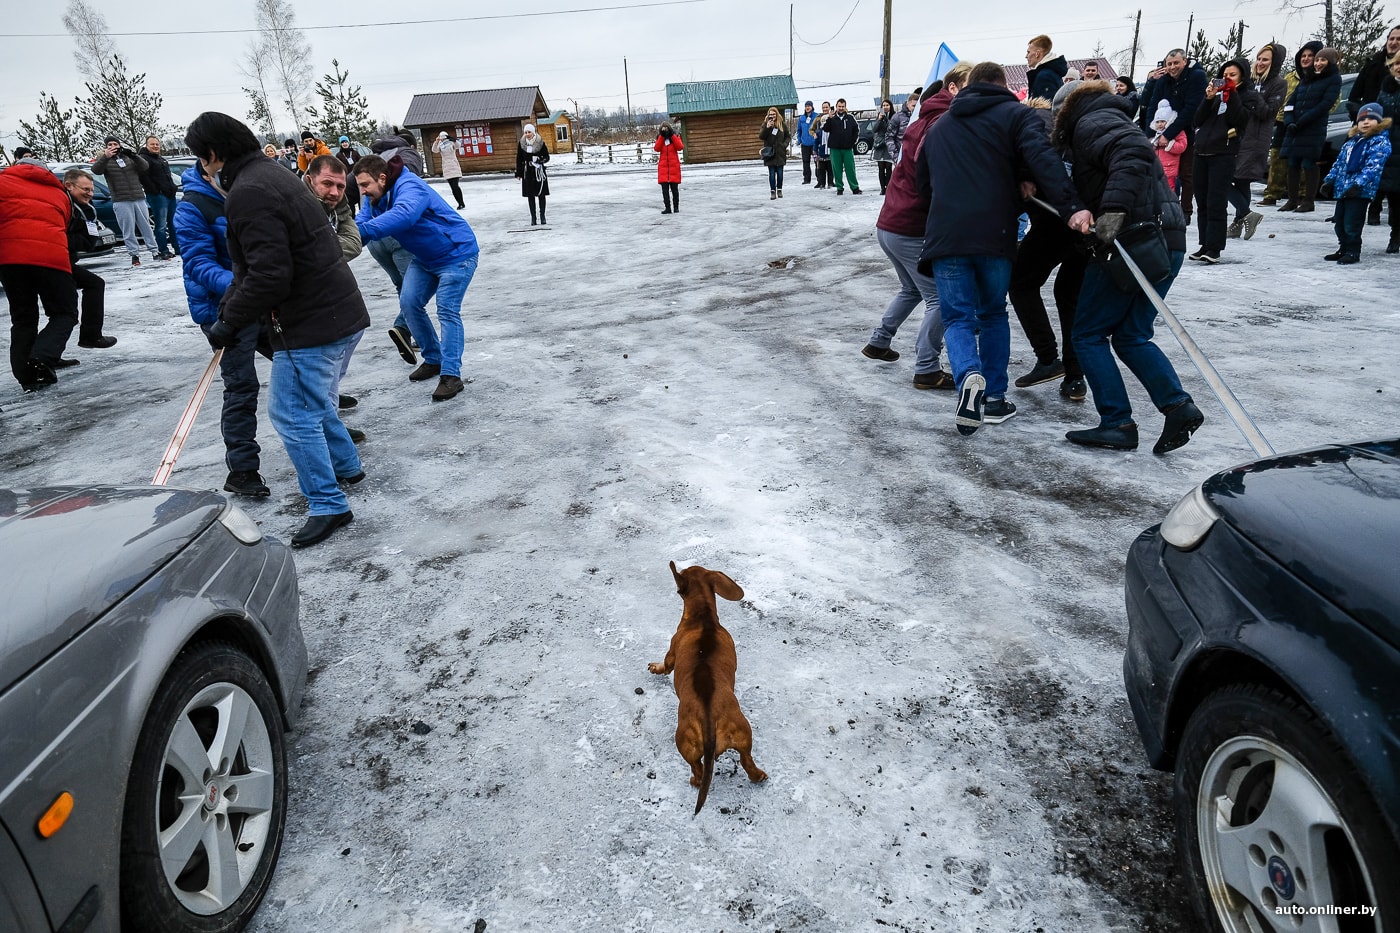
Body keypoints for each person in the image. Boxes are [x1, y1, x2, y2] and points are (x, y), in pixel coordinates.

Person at [186, 111, 370, 548]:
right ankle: (347, 466)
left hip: (312, 321)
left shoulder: (249, 191)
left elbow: (270, 275)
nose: (202, 166)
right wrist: (227, 313)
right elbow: (248, 267)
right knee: (312, 400)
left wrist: (231, 321)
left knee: (292, 413)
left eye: (200, 157)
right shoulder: (272, 175)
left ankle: (328, 504)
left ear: (212, 153)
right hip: (333, 312)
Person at [917, 60, 1092, 435]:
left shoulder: (940, 126)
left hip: (947, 238)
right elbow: (1043, 158)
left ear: (969, 85)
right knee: (993, 314)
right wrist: (1070, 206)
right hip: (995, 235)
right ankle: (994, 398)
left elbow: (922, 184)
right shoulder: (1016, 115)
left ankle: (968, 376)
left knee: (957, 318)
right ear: (1003, 85)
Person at [1050, 80, 1203, 454]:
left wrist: (1113, 211)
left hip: (1133, 241)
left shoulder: (1092, 121)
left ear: (1064, 111)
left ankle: (1117, 421)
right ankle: (1178, 407)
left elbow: (1133, 152)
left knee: (1087, 333)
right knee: (1132, 334)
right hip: (1167, 240)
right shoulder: (1109, 117)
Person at [861, 66, 972, 391]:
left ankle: (879, 342)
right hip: (908, 226)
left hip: (890, 223)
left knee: (911, 289)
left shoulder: (922, 121)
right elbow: (934, 178)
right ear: (953, 89)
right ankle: (926, 368)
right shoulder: (941, 124)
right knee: (940, 297)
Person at [173, 158, 270, 498]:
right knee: (242, 385)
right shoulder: (192, 207)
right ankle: (242, 470)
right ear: (208, 168)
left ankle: (330, 431)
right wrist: (245, 286)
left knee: (302, 361)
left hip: (258, 299)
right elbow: (198, 263)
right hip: (222, 311)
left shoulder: (245, 196)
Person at [355, 153, 480, 403]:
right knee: (409, 303)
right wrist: (345, 239)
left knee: (447, 310)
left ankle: (451, 375)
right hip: (425, 259)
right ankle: (434, 358)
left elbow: (405, 215)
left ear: (382, 178)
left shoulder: (410, 186)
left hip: (457, 254)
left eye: (365, 185)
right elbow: (362, 221)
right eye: (359, 186)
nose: (362, 191)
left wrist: (364, 231)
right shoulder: (374, 196)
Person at [1007, 81, 1091, 402]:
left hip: (1057, 220)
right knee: (1069, 294)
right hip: (1084, 219)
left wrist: (1023, 175)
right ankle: (1075, 377)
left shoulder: (1030, 122)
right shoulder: (1059, 123)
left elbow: (1036, 155)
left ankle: (1047, 358)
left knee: (1020, 282)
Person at [0, 153, 78, 389]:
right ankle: (42, 356)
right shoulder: (59, 193)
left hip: (11, 260)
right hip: (52, 258)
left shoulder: (2, 183)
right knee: (64, 312)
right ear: (46, 172)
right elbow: (66, 222)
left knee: (23, 319)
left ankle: (27, 379)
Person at [303, 154, 366, 425]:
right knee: (322, 361)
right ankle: (329, 425)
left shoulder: (334, 204)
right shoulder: (301, 207)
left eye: (340, 186)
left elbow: (353, 243)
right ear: (309, 180)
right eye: (327, 184)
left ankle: (331, 401)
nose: (335, 192)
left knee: (352, 332)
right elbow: (318, 252)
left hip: (332, 289)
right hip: (308, 300)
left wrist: (340, 208)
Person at [1189, 59, 1251, 263]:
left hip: (1223, 154)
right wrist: (1208, 99)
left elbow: (1238, 119)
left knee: (1216, 201)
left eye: (1232, 75)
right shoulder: (1215, 95)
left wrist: (1231, 94)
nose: (1227, 78)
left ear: (1242, 77)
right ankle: (1204, 243)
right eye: (1224, 75)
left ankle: (1215, 247)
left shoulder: (1246, 96)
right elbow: (1197, 120)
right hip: (1202, 152)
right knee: (1202, 202)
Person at [1319, 102, 1392, 263]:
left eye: (1371, 119)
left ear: (1379, 122)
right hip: (1343, 189)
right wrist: (1329, 181)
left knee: (1352, 223)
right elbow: (1339, 164)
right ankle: (1343, 248)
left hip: (1360, 191)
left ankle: (1353, 251)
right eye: (1362, 119)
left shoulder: (1380, 142)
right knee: (1339, 222)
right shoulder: (1351, 142)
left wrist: (1358, 184)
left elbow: (1373, 167)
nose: (1366, 122)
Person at [1139, 50, 1208, 221]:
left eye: (1176, 63)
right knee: (1161, 171)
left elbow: (1191, 109)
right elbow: (1152, 105)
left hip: (1187, 130)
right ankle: (1161, 206)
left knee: (1186, 173)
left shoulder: (1197, 77)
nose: (1172, 67)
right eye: (1169, 64)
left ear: (1185, 61)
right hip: (1161, 132)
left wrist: (1169, 134)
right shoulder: (1164, 80)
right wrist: (1150, 135)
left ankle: (1185, 211)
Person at [1229, 43, 1287, 239]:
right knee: (1239, 181)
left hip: (1256, 139)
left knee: (1236, 179)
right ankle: (1241, 220)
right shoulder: (1250, 81)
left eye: (1266, 60)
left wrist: (1252, 95)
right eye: (1259, 59)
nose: (1260, 63)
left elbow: (1268, 112)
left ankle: (1244, 216)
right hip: (1238, 135)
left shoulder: (1278, 83)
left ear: (1274, 62)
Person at [1278, 43, 1342, 213]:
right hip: (1295, 128)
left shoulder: (1334, 79)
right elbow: (1290, 102)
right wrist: (1289, 120)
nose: (1318, 63)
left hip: (1313, 128)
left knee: (1309, 162)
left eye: (1323, 60)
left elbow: (1325, 104)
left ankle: (1308, 201)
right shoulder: (1307, 77)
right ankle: (1292, 200)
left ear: (1330, 62)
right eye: (1317, 60)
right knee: (1292, 162)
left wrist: (1302, 121)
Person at [1347, 26, 1400, 224]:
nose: (1394, 42)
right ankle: (1368, 210)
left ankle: (1393, 224)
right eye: (1391, 38)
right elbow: (1354, 96)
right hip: (1373, 128)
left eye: (1398, 39)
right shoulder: (1373, 64)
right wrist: (1362, 117)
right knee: (1371, 170)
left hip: (1394, 133)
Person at [61, 168, 117, 350]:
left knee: (94, 284)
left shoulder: (86, 209)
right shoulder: (61, 205)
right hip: (51, 262)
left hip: (64, 261)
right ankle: (44, 356)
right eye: (85, 189)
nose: (90, 194)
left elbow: (88, 242)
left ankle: (90, 336)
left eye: (92, 190)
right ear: (69, 186)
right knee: (64, 313)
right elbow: (60, 237)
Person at [93, 135, 159, 266]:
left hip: (138, 197)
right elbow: (96, 170)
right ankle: (134, 254)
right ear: (106, 147)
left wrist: (133, 155)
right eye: (110, 145)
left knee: (146, 226)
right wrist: (105, 157)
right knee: (128, 228)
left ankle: (155, 251)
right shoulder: (104, 160)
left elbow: (144, 166)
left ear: (119, 145)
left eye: (115, 144)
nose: (113, 147)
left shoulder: (128, 157)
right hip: (121, 199)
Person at [139, 136, 179, 259]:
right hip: (158, 196)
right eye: (152, 144)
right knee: (161, 225)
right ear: (147, 146)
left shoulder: (161, 159)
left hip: (170, 194)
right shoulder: (144, 159)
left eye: (157, 144)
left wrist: (173, 187)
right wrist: (156, 191)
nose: (155, 146)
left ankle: (178, 248)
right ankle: (163, 250)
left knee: (173, 223)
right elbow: (144, 178)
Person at [1376, 53, 1400, 251]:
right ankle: (1395, 234)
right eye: (1397, 63)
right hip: (1389, 146)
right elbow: (1378, 114)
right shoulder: (1386, 87)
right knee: (1393, 196)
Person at [516, 124, 551, 225]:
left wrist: (541, 160)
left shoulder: (540, 142)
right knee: (530, 196)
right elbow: (519, 158)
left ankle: (542, 216)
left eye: (529, 132)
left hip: (539, 172)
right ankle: (533, 217)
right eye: (526, 132)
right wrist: (519, 172)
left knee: (541, 194)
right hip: (528, 173)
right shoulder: (522, 143)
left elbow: (547, 156)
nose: (527, 134)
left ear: (533, 132)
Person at [825, 99, 862, 195]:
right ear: (836, 107)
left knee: (850, 168)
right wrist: (829, 118)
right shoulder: (832, 118)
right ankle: (839, 188)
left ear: (845, 107)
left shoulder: (850, 118)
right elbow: (825, 129)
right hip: (835, 148)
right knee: (837, 169)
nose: (841, 108)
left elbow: (856, 130)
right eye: (839, 106)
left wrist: (852, 142)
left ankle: (855, 187)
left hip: (847, 148)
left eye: (843, 106)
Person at [1150, 102, 1188, 192]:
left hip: (1170, 169)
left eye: (1162, 121)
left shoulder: (1176, 132)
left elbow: (1182, 146)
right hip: (1157, 168)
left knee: (1169, 191)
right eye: (1157, 122)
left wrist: (1169, 144)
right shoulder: (1156, 134)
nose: (1160, 124)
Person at [759, 107, 790, 199]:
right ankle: (772, 191)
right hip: (770, 153)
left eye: (774, 114)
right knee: (772, 174)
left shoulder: (782, 124)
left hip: (780, 153)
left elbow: (788, 136)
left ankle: (779, 189)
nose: (772, 116)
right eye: (770, 114)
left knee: (780, 174)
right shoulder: (765, 124)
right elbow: (761, 136)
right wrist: (767, 128)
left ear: (777, 114)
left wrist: (784, 145)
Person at [1025, 35, 1067, 101]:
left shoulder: (1045, 76)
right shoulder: (1051, 72)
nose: (1026, 56)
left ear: (1037, 53)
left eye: (1028, 52)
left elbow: (1047, 105)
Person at [655, 121, 683, 213]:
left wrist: (672, 136)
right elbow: (657, 148)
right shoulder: (660, 138)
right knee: (665, 190)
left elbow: (680, 147)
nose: (665, 130)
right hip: (663, 168)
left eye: (666, 129)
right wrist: (662, 136)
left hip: (674, 167)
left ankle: (676, 207)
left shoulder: (675, 137)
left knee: (675, 190)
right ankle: (667, 208)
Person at [433, 131, 465, 209]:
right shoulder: (440, 145)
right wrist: (436, 141)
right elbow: (434, 150)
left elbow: (458, 145)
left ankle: (461, 203)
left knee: (455, 186)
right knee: (453, 188)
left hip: (454, 165)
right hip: (446, 167)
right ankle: (459, 203)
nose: (442, 139)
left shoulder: (451, 143)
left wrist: (454, 140)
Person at [872, 99, 894, 194]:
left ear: (890, 106)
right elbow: (874, 129)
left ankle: (889, 186)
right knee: (881, 167)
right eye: (883, 105)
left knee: (888, 167)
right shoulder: (880, 116)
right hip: (880, 145)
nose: (885, 107)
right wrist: (880, 119)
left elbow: (892, 128)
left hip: (889, 144)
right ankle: (882, 188)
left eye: (887, 105)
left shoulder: (894, 116)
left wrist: (887, 120)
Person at [889, 93, 916, 164]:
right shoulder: (898, 117)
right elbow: (889, 137)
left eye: (917, 106)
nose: (915, 108)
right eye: (913, 106)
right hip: (903, 157)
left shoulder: (920, 117)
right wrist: (896, 157)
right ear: (907, 104)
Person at [812, 102, 833, 189]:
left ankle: (831, 182)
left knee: (830, 168)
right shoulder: (818, 130)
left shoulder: (832, 128)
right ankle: (821, 183)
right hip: (821, 152)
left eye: (826, 107)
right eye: (823, 107)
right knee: (821, 169)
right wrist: (815, 151)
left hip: (830, 151)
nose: (825, 109)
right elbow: (815, 141)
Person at [796, 101, 818, 184]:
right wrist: (799, 139)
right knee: (805, 162)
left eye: (809, 106)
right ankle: (806, 179)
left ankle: (819, 179)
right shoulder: (801, 118)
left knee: (817, 162)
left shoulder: (816, 116)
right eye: (806, 106)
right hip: (805, 144)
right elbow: (799, 130)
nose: (807, 108)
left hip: (814, 144)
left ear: (812, 107)